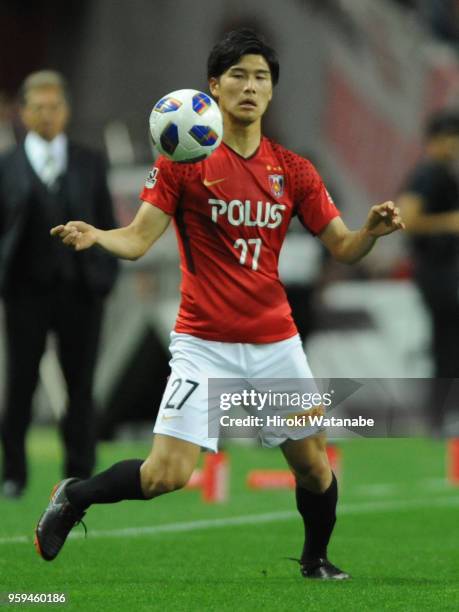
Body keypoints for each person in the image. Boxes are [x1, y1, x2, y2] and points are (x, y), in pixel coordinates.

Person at [34, 30, 403, 579]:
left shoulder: (295, 170)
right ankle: (75, 495)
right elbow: (137, 240)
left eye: (261, 77)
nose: (250, 86)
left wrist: (370, 231)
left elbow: (344, 248)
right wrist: (98, 236)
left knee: (314, 467)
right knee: (166, 476)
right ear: (213, 87)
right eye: (238, 75)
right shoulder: (183, 160)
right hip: (203, 344)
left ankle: (315, 561)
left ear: (272, 91)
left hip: (275, 342)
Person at [0, 71, 119, 498]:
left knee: (81, 385)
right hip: (25, 293)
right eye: (38, 107)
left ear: (66, 111)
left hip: (81, 291)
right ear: (23, 112)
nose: (47, 115)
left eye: (54, 107)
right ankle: (14, 473)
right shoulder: (6, 165)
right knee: (21, 384)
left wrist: (104, 278)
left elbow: (108, 221)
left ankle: (79, 475)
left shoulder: (90, 161)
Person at [398, 111, 459, 433]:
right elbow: (406, 218)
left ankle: (442, 415)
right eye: (451, 138)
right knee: (447, 343)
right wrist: (448, 223)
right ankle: (441, 417)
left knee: (449, 343)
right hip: (437, 272)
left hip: (445, 270)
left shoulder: (444, 174)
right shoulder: (427, 174)